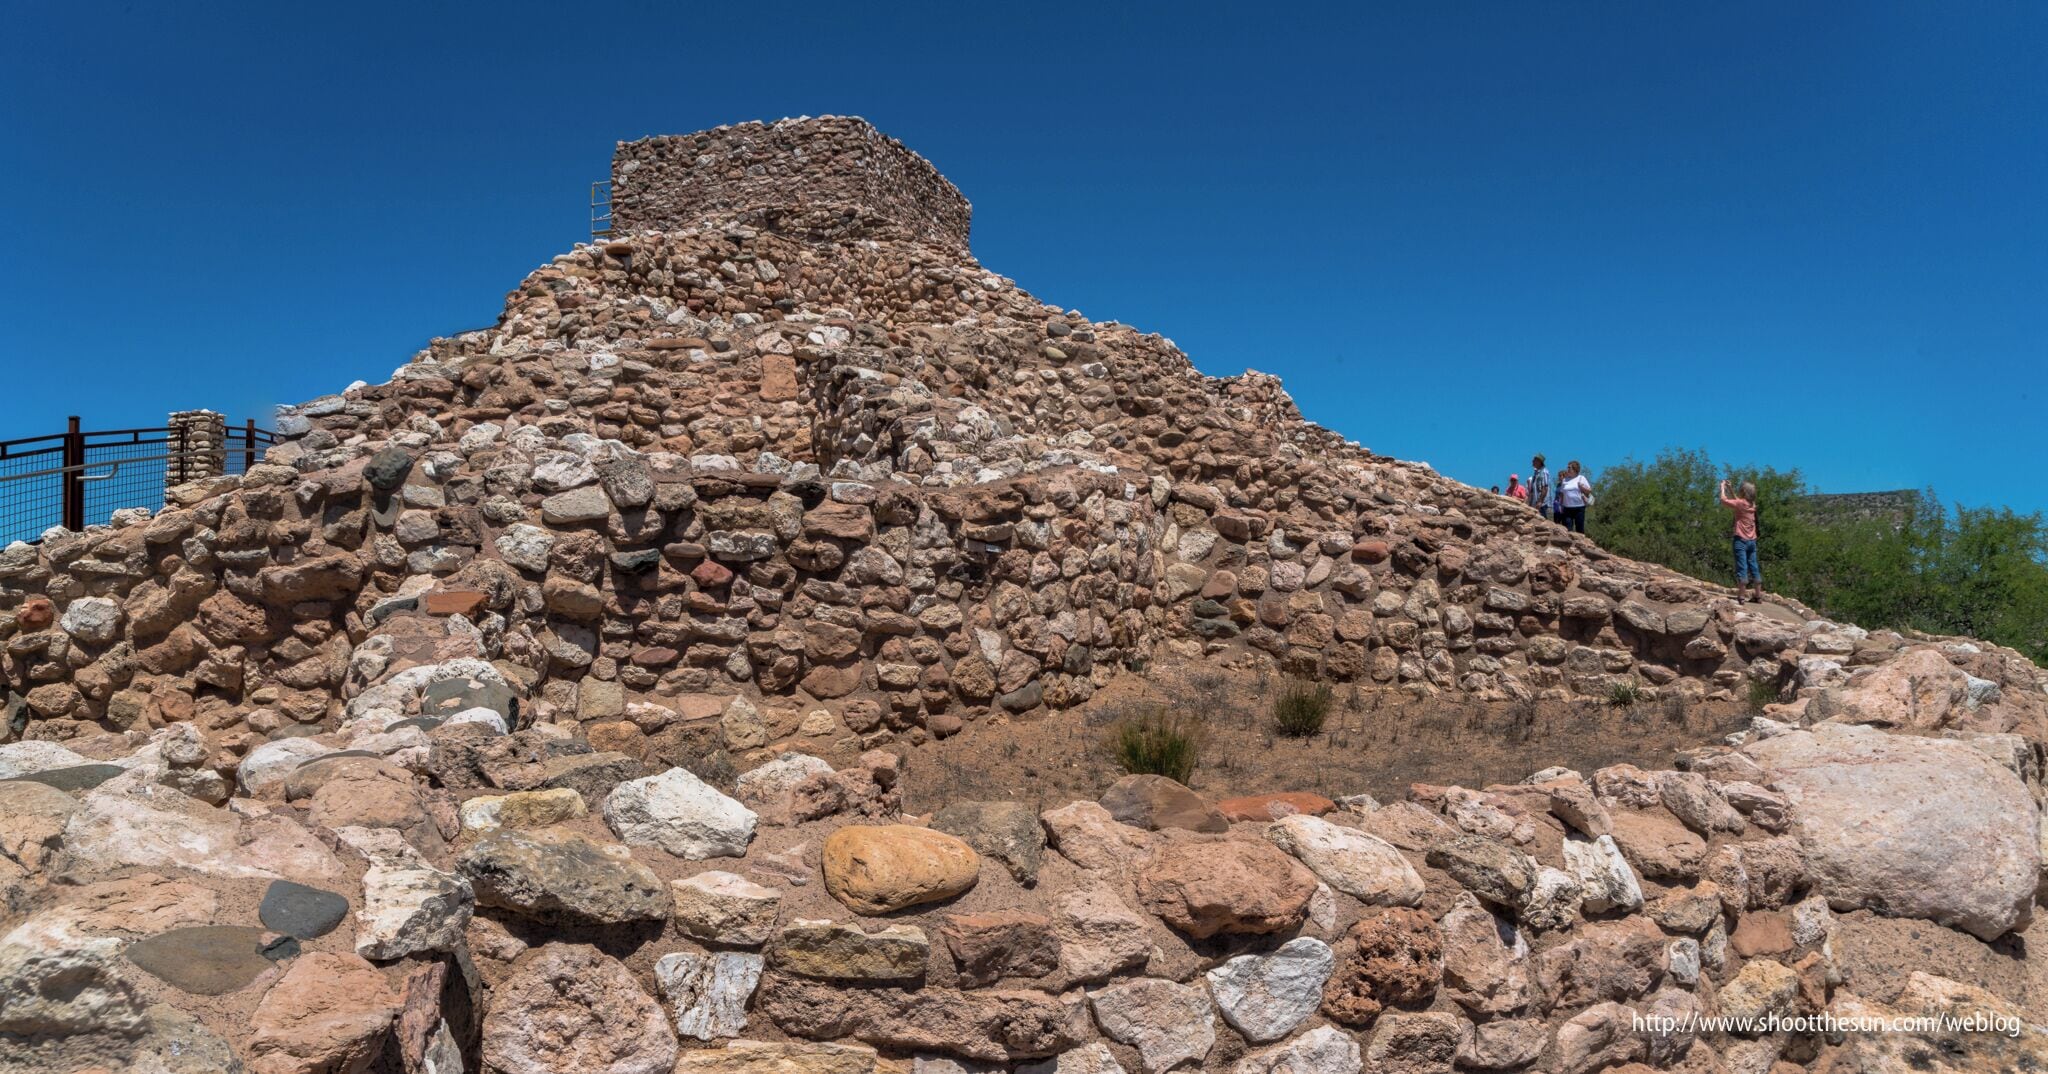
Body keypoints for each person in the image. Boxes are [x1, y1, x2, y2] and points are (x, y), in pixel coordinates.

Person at [1719, 478, 1763, 602]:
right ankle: (1758, 596)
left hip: (1741, 541)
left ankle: (1741, 596)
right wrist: (1730, 488)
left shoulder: (1740, 504)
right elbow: (1738, 500)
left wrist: (1722, 487)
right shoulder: (1752, 505)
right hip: (1752, 541)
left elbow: (1723, 500)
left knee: (1741, 567)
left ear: (1743, 491)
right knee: (1754, 566)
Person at [1556, 460, 1592, 533]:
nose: (1567, 469)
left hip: (1579, 507)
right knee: (1568, 528)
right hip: (1567, 508)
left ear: (1575, 469)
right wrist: (1560, 505)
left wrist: (1582, 487)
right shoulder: (1565, 480)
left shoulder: (1581, 478)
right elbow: (1562, 493)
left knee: (1579, 528)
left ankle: (1581, 544)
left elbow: (1589, 490)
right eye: (1567, 468)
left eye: (1569, 468)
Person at [1528, 455, 1554, 522]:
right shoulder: (1536, 472)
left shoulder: (1544, 472)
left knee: (1542, 521)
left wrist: (1540, 501)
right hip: (1535, 502)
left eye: (1534, 460)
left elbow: (1545, 488)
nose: (1532, 461)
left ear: (1539, 462)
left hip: (1542, 504)